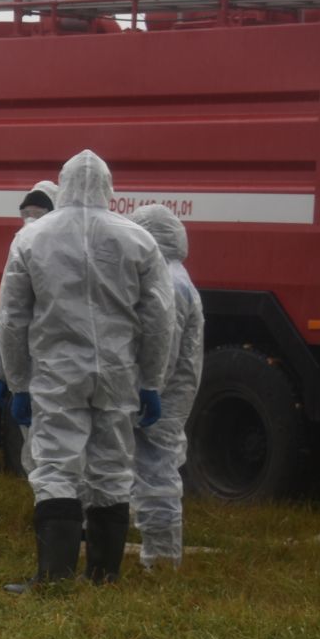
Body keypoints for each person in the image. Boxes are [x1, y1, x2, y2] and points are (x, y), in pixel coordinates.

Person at [0, 152, 172, 589]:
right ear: (109, 188)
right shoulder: (138, 240)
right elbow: (159, 318)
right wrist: (151, 381)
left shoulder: (33, 238)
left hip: (57, 372)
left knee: (56, 464)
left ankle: (54, 576)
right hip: (117, 372)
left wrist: (18, 381)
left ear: (64, 183)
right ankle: (103, 574)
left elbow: (12, 319)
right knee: (112, 467)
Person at [128, 204, 203, 568]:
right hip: (171, 389)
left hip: (163, 390)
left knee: (156, 469)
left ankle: (160, 558)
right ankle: (159, 552)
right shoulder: (177, 275)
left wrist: (148, 387)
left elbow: (165, 346)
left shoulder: (167, 281)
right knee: (157, 465)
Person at [0, 180, 60, 408]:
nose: (31, 218)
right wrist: (0, 372)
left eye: (38, 212)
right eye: (26, 212)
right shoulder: (22, 245)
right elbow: (8, 316)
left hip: (58, 369)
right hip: (38, 368)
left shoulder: (60, 249)